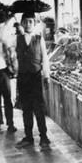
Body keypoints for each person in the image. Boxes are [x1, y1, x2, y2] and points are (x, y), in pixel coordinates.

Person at [15, 12, 51, 150]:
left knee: (39, 108)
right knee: (26, 109)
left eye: (31, 21)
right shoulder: (17, 39)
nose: (29, 24)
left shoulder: (39, 38)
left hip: (36, 77)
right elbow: (13, 58)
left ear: (34, 23)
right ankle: (28, 137)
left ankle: (44, 137)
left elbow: (45, 58)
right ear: (22, 23)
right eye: (26, 21)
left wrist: (46, 75)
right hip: (23, 78)